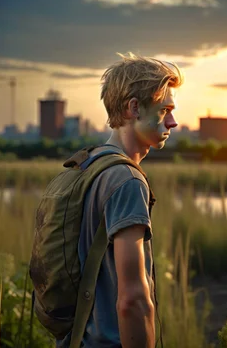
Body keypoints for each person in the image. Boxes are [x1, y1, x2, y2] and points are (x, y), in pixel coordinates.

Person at [57, 52, 184, 348]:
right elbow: (133, 300)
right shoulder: (127, 182)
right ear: (134, 108)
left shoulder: (88, 165)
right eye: (165, 110)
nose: (174, 122)